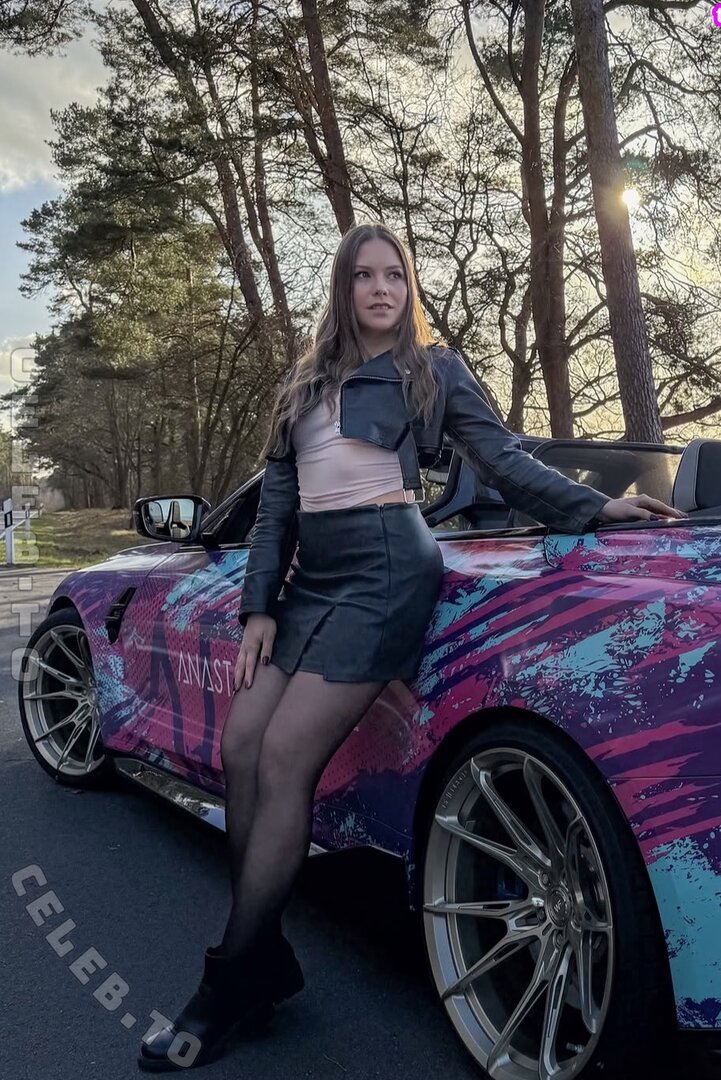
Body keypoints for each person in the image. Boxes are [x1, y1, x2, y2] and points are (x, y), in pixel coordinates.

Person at [137, 222, 686, 1071]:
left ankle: (232, 974)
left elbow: (501, 459)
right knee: (241, 743)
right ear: (343, 287)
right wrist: (258, 608)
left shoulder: (433, 371)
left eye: (394, 275)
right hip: (310, 580)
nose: (382, 289)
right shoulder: (302, 384)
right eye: (365, 275)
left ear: (408, 287)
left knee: (282, 756)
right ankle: (265, 954)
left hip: (388, 570)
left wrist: (595, 505)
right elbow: (278, 505)